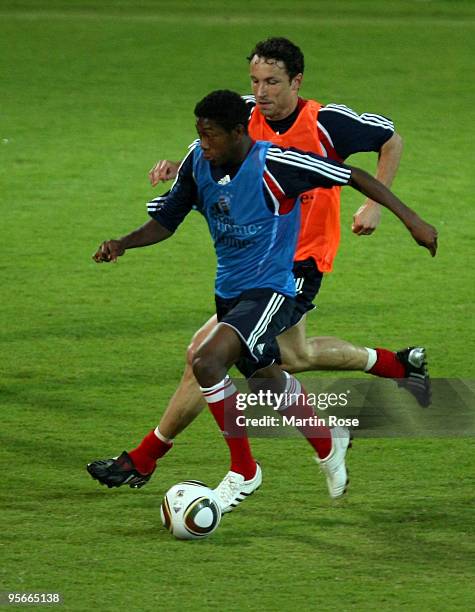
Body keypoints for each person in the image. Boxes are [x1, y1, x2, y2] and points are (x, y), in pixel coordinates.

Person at [88, 38, 430, 509]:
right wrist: (177, 168)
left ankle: (177, 461)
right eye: (254, 81)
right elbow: (209, 154)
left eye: (271, 81)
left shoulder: (325, 125)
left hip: (298, 264)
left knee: (205, 358)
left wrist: (376, 207)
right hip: (245, 268)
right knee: (288, 359)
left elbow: (389, 140)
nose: (261, 91)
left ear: (296, 81)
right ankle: (382, 380)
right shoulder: (239, 118)